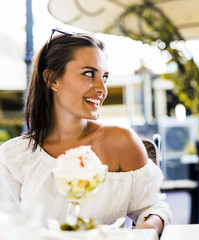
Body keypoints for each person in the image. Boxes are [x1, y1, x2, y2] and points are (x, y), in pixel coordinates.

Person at [0, 29, 171, 234]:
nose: (102, 88)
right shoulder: (14, 156)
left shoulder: (121, 142)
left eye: (104, 77)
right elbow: (7, 226)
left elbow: (154, 208)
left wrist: (144, 231)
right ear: (52, 79)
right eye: (89, 74)